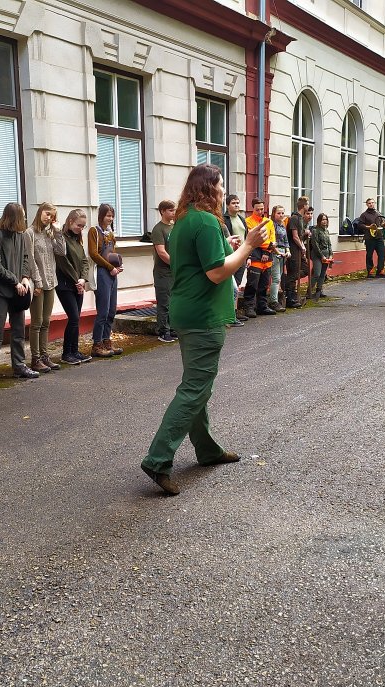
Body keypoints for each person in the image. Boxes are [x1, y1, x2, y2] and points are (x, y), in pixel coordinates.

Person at [140, 164, 267, 495]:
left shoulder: (185, 220)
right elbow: (216, 272)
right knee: (195, 388)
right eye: (221, 184)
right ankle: (157, 459)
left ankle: (207, 449)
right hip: (203, 316)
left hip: (187, 312)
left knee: (198, 385)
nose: (224, 190)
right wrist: (248, 245)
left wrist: (229, 245)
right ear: (208, 188)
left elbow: (202, 260)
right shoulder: (207, 221)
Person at [0, 202, 38, 382]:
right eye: (22, 216)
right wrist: (15, 281)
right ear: (14, 217)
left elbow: (26, 258)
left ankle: (19, 366)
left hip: (18, 291)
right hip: (0, 291)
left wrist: (25, 277)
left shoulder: (21, 235)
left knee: (19, 330)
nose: (25, 219)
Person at [26, 202, 66, 372]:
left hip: (51, 281)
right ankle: (35, 358)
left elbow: (62, 252)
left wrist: (58, 232)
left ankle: (44, 356)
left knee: (46, 321)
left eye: (52, 216)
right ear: (40, 212)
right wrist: (37, 281)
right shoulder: (29, 233)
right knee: (37, 322)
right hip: (38, 283)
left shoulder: (50, 233)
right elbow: (30, 259)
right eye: (47, 214)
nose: (49, 218)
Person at [54, 209, 93, 365]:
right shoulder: (61, 238)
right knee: (74, 317)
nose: (81, 229)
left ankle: (75, 351)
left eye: (83, 226)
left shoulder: (77, 239)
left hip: (79, 284)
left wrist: (83, 279)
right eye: (79, 225)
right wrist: (76, 280)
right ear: (70, 221)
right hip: (65, 285)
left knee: (76, 319)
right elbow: (63, 262)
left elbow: (84, 261)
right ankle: (66, 353)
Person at [88, 204, 123, 357]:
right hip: (102, 272)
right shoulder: (94, 231)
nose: (110, 218)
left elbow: (112, 253)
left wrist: (118, 265)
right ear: (101, 215)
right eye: (108, 215)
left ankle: (106, 340)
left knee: (111, 310)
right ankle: (97, 344)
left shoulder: (110, 233)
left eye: (112, 216)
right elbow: (94, 254)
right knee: (102, 310)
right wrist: (110, 267)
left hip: (112, 273)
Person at [243, 198, 276, 317]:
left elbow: (272, 238)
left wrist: (267, 251)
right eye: (257, 209)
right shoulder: (248, 221)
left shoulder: (269, 222)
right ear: (253, 208)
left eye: (262, 209)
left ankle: (262, 306)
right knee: (252, 283)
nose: (260, 211)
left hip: (268, 255)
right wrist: (267, 246)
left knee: (264, 283)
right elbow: (254, 239)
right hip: (254, 253)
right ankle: (249, 307)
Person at [151, 200, 177, 343]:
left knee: (174, 301)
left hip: (175, 271)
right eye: (170, 210)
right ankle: (163, 331)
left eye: (174, 210)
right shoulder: (158, 229)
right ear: (162, 211)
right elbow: (161, 252)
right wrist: (175, 264)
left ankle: (173, 328)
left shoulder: (174, 227)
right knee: (164, 302)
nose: (173, 213)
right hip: (163, 272)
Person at [223, 194, 248, 322]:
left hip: (242, 255)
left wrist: (248, 256)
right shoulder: (224, 219)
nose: (236, 205)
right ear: (227, 205)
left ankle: (234, 312)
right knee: (229, 286)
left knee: (236, 285)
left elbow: (246, 237)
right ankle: (228, 314)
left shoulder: (242, 219)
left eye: (238, 203)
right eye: (233, 203)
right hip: (230, 255)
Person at [285, 196, 309, 308]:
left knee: (305, 269)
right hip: (294, 249)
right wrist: (302, 246)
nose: (308, 206)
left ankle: (288, 281)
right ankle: (290, 298)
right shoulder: (294, 218)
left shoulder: (301, 218)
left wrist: (305, 234)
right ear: (304, 206)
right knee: (293, 272)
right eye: (307, 204)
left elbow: (300, 235)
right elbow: (295, 236)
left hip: (299, 249)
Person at [356, 198, 385, 278]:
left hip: (379, 236)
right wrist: (368, 227)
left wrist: (384, 224)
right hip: (369, 237)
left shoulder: (378, 213)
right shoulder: (364, 215)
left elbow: (381, 224)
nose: (371, 204)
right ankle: (370, 271)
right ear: (367, 204)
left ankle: (380, 271)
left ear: (374, 203)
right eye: (369, 203)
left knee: (382, 254)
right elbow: (359, 225)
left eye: (372, 203)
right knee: (369, 255)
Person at [307, 211, 332, 299]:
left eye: (326, 219)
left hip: (326, 253)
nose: (324, 221)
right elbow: (315, 245)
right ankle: (309, 291)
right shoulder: (315, 231)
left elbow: (329, 244)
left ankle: (319, 290)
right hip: (317, 254)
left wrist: (331, 254)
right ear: (319, 221)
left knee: (323, 274)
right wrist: (322, 256)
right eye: (322, 220)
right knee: (317, 273)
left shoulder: (326, 231)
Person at [268, 205, 289, 312]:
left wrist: (288, 251)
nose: (281, 215)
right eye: (278, 213)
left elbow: (286, 241)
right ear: (274, 214)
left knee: (279, 277)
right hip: (274, 253)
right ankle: (273, 301)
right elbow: (271, 241)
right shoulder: (272, 225)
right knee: (276, 278)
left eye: (282, 213)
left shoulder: (282, 225)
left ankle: (275, 299)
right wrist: (278, 252)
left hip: (282, 252)